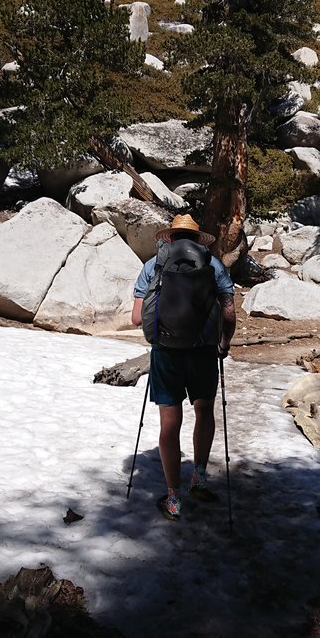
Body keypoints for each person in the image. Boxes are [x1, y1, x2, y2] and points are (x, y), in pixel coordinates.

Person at [131, 214, 236, 521]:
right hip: (203, 351)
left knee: (169, 422)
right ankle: (200, 479)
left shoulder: (153, 266)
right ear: (196, 239)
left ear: (170, 238)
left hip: (166, 352)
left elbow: (138, 319)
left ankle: (174, 498)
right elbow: (228, 311)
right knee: (204, 411)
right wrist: (224, 343)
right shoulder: (213, 265)